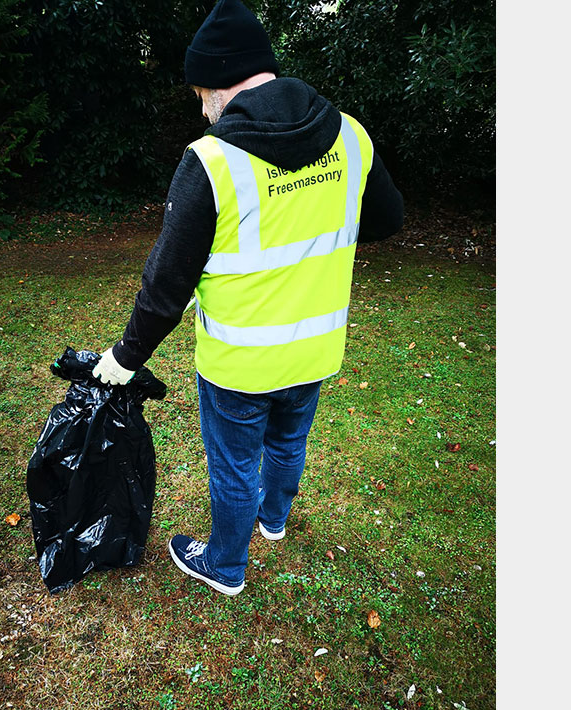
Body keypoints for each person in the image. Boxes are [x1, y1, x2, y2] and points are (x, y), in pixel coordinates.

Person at [92, 0, 404, 595]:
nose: (200, 105)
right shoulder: (350, 135)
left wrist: (125, 357)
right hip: (314, 348)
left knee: (235, 464)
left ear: (216, 80)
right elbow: (387, 218)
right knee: (290, 440)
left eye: (198, 91)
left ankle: (226, 566)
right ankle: (274, 519)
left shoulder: (211, 162)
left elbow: (165, 286)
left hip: (240, 362)